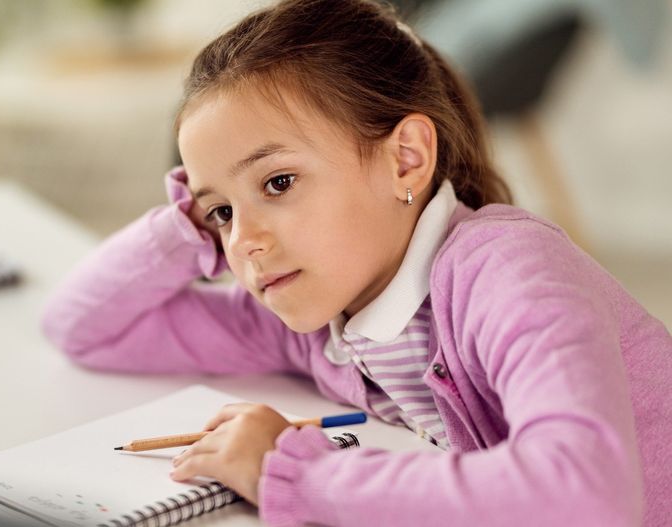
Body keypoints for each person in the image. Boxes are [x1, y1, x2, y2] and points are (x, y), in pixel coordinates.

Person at [42, 0, 672, 524]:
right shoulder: (319, 323)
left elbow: (586, 498)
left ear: (405, 160)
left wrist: (293, 471)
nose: (245, 242)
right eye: (224, 214)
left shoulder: (507, 272)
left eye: (279, 182)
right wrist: (187, 225)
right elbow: (83, 327)